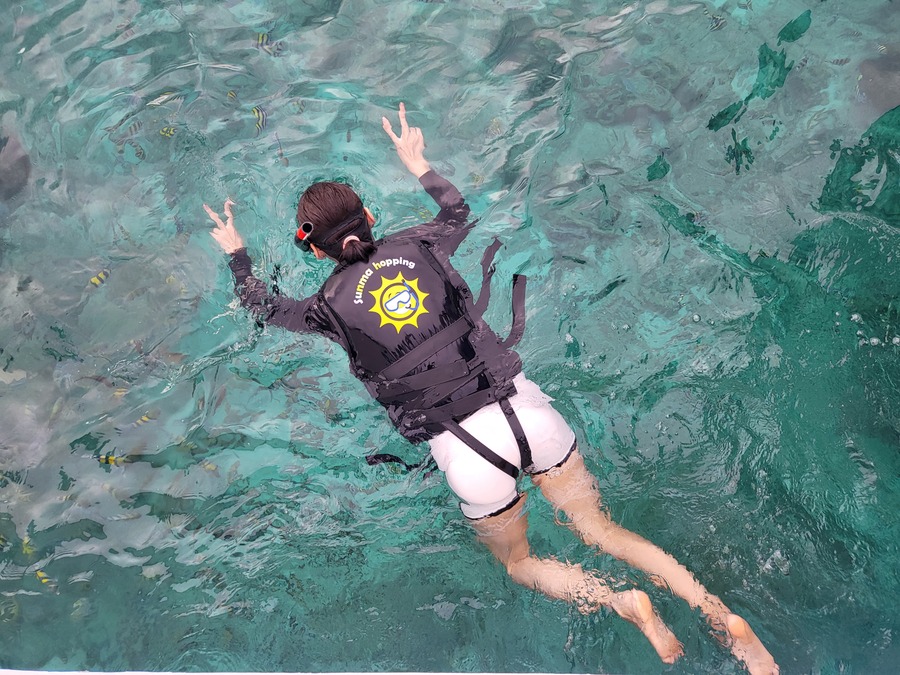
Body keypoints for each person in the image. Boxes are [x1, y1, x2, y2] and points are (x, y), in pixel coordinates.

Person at [205, 103, 779, 674]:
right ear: (372, 217)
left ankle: (619, 601)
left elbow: (259, 304)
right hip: (527, 413)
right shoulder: (422, 244)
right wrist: (417, 162)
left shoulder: (325, 308)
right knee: (602, 529)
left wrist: (236, 253)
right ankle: (715, 609)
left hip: (466, 451)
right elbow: (457, 210)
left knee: (522, 564)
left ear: (312, 247)